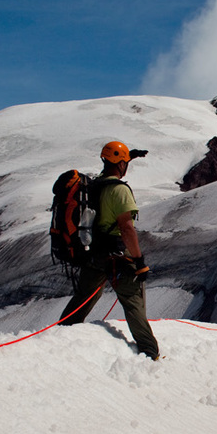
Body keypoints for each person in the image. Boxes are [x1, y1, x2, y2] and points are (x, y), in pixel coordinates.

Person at [59, 141, 159, 359]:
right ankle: (150, 353)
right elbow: (126, 228)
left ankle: (58, 338)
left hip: (93, 255)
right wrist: (139, 260)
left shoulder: (94, 186)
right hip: (118, 257)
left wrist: (127, 156)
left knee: (83, 299)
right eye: (125, 163)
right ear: (120, 164)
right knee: (133, 304)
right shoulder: (119, 190)